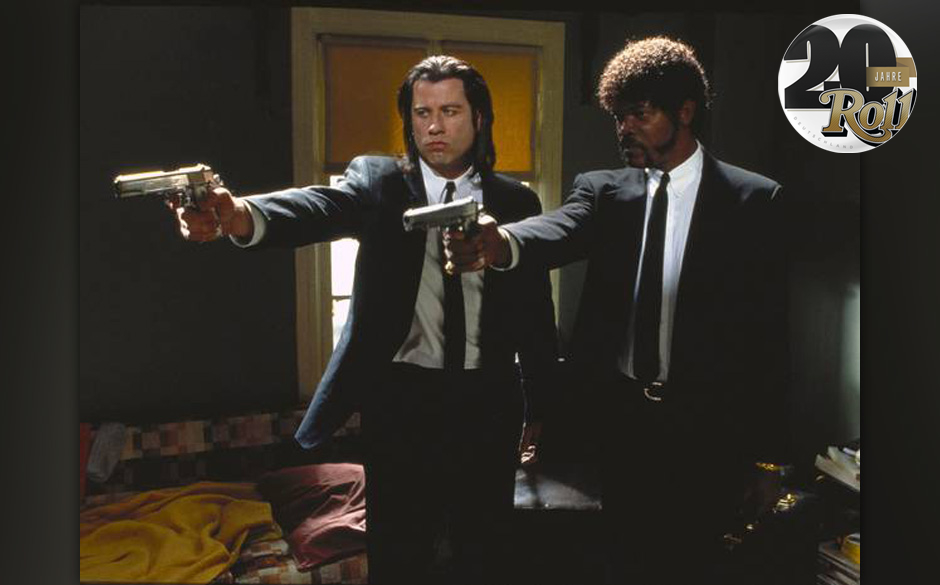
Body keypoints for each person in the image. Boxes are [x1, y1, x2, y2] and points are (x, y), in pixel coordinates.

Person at [171, 55, 557, 585]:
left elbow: (535, 310)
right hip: (402, 398)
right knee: (400, 553)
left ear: (480, 118)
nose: (434, 126)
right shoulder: (379, 182)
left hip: (487, 399)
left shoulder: (517, 201)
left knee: (484, 552)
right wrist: (237, 215)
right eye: (422, 113)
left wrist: (541, 403)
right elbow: (318, 207)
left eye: (449, 111)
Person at [445, 36, 790, 584]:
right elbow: (557, 229)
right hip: (622, 424)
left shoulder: (752, 200)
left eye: (639, 114)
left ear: (685, 112)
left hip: (707, 431)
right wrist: (501, 241)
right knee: (621, 563)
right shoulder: (603, 192)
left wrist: (768, 461)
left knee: (697, 566)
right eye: (618, 116)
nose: (624, 129)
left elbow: (770, 341)